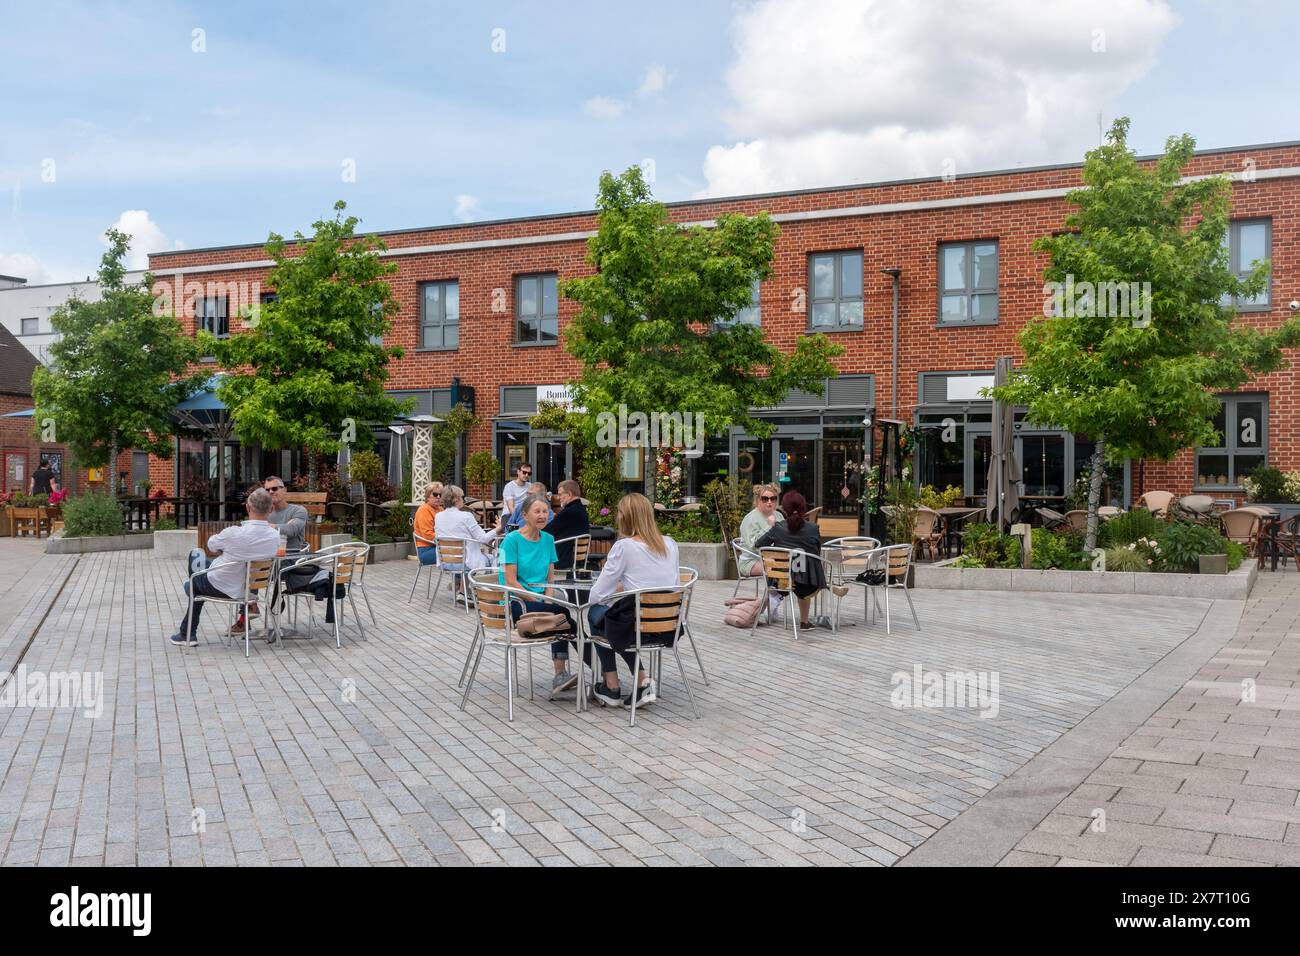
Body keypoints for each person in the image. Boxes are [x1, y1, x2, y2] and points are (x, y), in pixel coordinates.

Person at [584, 493, 680, 708]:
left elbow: (596, 595)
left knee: (596, 613)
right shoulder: (670, 543)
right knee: (617, 618)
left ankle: (611, 686)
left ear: (626, 517)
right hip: (667, 626)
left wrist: (616, 591)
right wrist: (625, 588)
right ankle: (641, 681)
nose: (617, 517)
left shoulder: (624, 547)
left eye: (619, 513)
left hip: (636, 628)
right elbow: (672, 585)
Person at [170, 488, 279, 646]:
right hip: (248, 590)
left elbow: (211, 545)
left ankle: (187, 632)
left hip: (219, 585)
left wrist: (226, 549)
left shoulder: (233, 533)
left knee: (196, 554)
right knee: (204, 563)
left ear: (247, 507)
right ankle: (193, 589)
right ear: (271, 509)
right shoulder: (274, 536)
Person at [497, 493, 578, 694]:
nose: (542, 515)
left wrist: (547, 600)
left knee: (562, 617)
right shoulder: (511, 540)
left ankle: (565, 675)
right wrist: (538, 600)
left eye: (545, 511)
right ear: (525, 515)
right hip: (517, 602)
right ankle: (592, 672)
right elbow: (510, 581)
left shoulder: (548, 539)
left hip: (542, 602)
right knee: (564, 616)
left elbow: (550, 579)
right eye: (537, 511)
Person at [753, 490, 828, 630]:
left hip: (781, 580)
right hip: (808, 583)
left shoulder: (778, 528)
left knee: (787, 575)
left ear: (785, 509)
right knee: (802, 575)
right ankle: (804, 622)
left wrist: (771, 526)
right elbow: (816, 551)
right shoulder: (813, 528)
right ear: (803, 508)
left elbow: (759, 544)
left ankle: (769, 608)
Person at [434, 485, 499, 598]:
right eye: (462, 497)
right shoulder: (466, 516)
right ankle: (486, 597)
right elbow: (483, 539)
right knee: (494, 559)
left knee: (468, 557)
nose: (463, 500)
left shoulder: (438, 516)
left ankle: (463, 592)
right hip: (464, 562)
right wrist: (498, 528)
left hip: (446, 562)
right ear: (456, 499)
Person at [738, 483, 783, 578]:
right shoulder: (750, 519)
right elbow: (754, 545)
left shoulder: (778, 515)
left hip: (774, 556)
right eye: (765, 499)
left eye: (773, 498)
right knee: (778, 567)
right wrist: (769, 526)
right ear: (758, 500)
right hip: (752, 560)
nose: (769, 502)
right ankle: (774, 588)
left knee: (796, 564)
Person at [545, 479, 590, 571]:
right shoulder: (581, 510)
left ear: (569, 494)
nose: (558, 498)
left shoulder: (569, 512)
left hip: (561, 560)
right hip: (575, 559)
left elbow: (547, 531)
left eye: (560, 494)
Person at [264, 476, 309, 552]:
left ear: (284, 490)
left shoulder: (298, 510)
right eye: (267, 490)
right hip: (269, 555)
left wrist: (265, 526)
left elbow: (291, 530)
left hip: (293, 556)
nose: (270, 492)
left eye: (274, 488)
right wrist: (283, 527)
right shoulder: (263, 512)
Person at [413, 481, 444, 565]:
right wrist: (446, 540)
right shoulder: (424, 510)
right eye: (435, 494)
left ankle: (461, 574)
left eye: (440, 495)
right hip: (425, 550)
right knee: (456, 553)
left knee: (461, 551)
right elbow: (427, 534)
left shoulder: (440, 509)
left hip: (438, 546)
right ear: (428, 496)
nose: (438, 497)